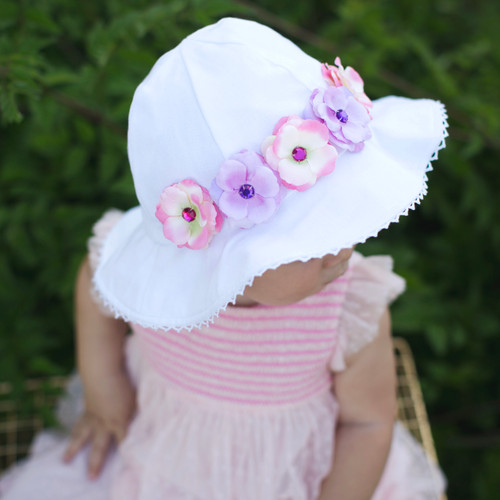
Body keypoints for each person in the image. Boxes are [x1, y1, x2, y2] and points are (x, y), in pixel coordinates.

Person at [0, 17, 449, 500]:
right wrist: (103, 380)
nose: (343, 249)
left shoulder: (346, 307)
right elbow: (95, 283)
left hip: (295, 481)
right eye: (312, 237)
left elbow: (367, 425)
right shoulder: (155, 281)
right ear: (228, 249)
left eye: (344, 218)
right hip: (160, 465)